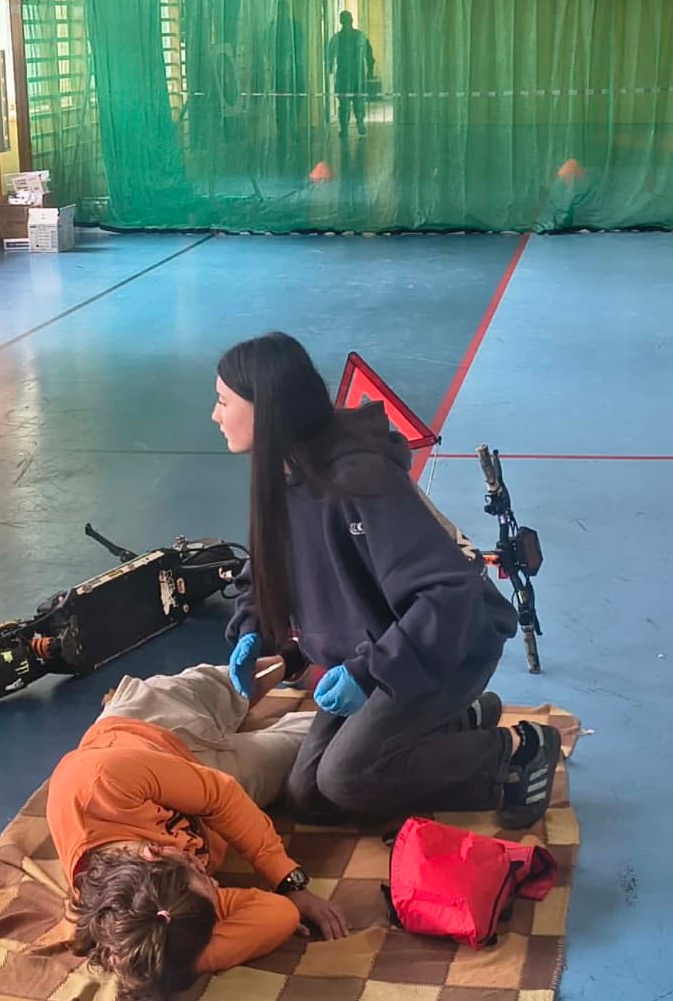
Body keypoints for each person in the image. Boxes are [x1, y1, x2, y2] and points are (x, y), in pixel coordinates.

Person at [213, 333, 562, 827]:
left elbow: (450, 594)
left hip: (449, 645)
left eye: (223, 401)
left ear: (264, 408)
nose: (215, 415)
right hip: (379, 651)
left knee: (348, 777)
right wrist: (252, 627)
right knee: (309, 794)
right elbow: (268, 566)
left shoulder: (360, 480)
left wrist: (368, 674)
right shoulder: (283, 476)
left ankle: (516, 752)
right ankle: (450, 726)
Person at [49, 712, 349, 1001]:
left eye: (198, 870)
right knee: (316, 741)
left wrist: (289, 881)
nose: (215, 882)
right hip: (204, 794)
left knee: (239, 689)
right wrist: (165, 960)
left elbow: (222, 796)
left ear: (156, 851)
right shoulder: (149, 914)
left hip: (156, 728)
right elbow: (279, 914)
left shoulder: (104, 779)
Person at [326, 10, 374, 138]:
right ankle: (349, 126)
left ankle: (357, 123)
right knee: (347, 103)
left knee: (354, 101)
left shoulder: (354, 37)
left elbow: (369, 54)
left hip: (353, 74)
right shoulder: (343, 38)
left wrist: (370, 70)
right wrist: (370, 70)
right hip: (349, 74)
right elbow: (330, 56)